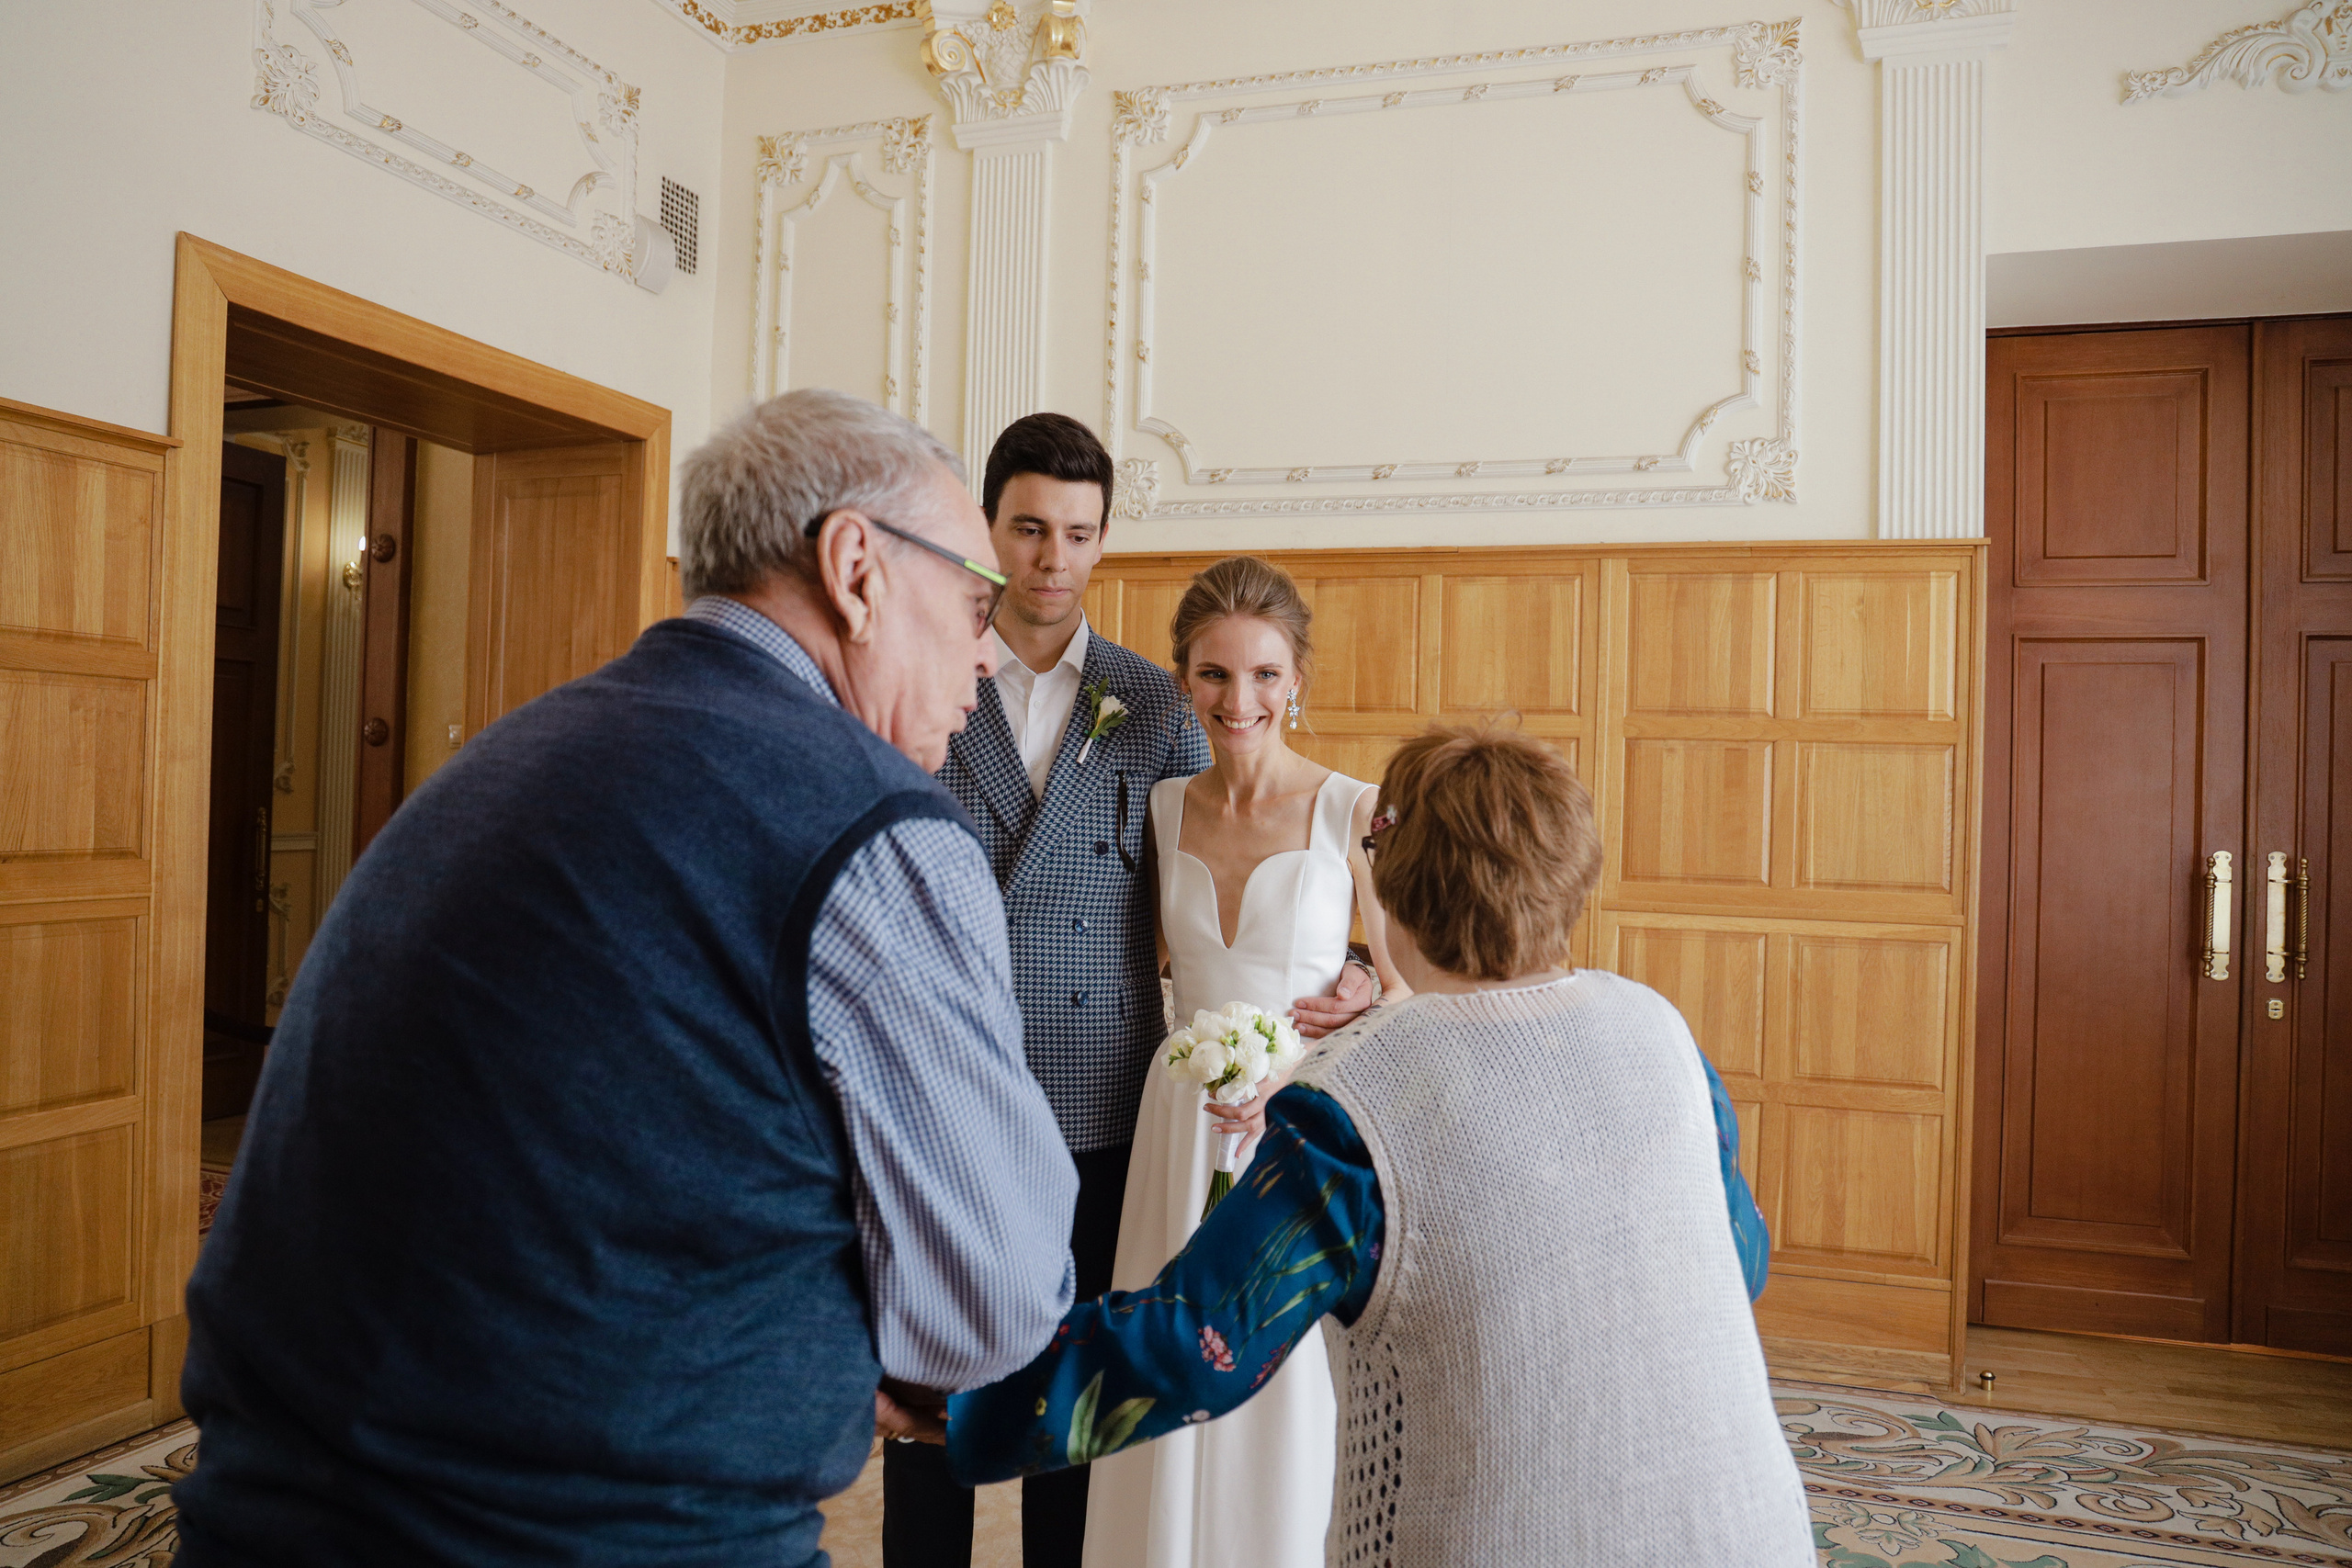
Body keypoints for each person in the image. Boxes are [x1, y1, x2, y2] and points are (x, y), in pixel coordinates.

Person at [173, 389, 1078, 1567]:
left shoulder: (504, 755)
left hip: (260, 1512)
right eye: (970, 602)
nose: (985, 652)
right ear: (857, 568)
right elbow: (992, 1317)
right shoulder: (877, 827)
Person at [937, 724, 1804, 1568]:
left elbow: (1197, 1345)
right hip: (1753, 1532)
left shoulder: (1357, 1104)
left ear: (1391, 889)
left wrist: (950, 1393)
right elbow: (1743, 1263)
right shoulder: (1660, 1030)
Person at [908, 423, 1374, 1568]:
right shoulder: (925, 667)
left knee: (1086, 1390)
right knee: (933, 1380)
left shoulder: (1149, 704)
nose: (1050, 559)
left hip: (1103, 1101)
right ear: (988, 531)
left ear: (1103, 542)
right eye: (1027, 529)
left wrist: (1360, 968)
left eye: (1075, 534)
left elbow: (1266, 858)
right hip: (951, 1094)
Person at [1073, 556, 1409, 1568]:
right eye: (1215, 675)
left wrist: (1336, 1012)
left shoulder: (1357, 809)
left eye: (1264, 675)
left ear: (1297, 678)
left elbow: (1406, 991)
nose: (1240, 699)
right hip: (1178, 1126)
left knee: (1283, 1360)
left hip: (1297, 1118)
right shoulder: (1162, 805)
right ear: (1184, 680)